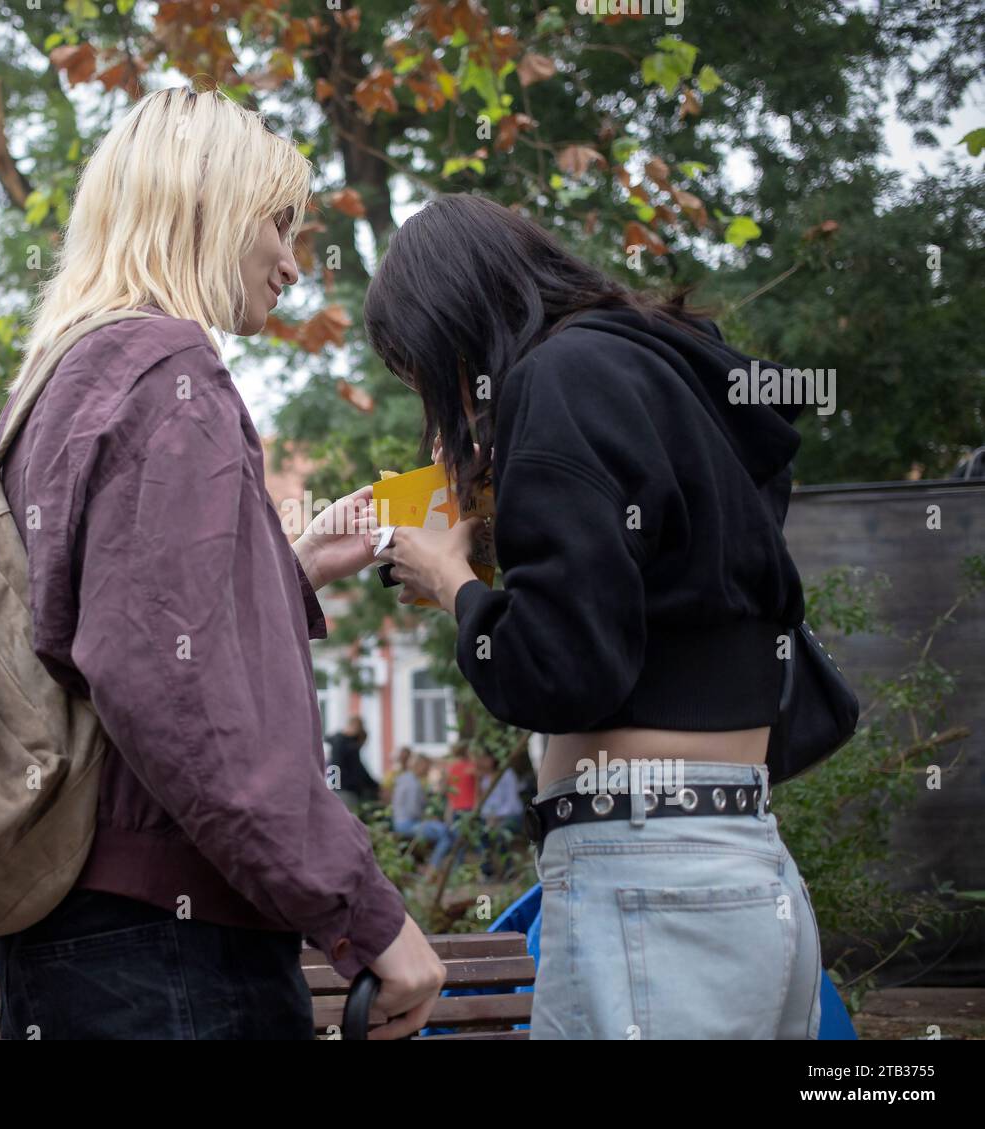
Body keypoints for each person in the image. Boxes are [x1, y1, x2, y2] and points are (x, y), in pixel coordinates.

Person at [0, 88, 444, 1041]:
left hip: (77, 940)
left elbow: (108, 627)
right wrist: (368, 916)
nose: (291, 260)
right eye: (276, 225)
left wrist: (290, 567)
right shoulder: (169, 369)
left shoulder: (63, 374)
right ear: (202, 208)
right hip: (167, 953)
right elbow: (173, 689)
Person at [365, 193, 822, 1039]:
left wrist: (455, 581)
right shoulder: (667, 366)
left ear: (456, 327)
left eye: (426, 369)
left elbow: (559, 671)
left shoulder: (558, 376)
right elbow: (668, 585)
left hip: (651, 878)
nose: (448, 400)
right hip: (741, 862)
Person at [392, 754, 454, 873]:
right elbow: (413, 811)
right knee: (445, 834)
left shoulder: (404, 778)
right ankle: (432, 870)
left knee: (441, 830)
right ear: (420, 765)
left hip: (400, 822)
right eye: (427, 766)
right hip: (408, 824)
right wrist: (428, 819)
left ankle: (432, 868)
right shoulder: (413, 784)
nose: (428, 770)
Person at [324, 717, 379, 811]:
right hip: (345, 791)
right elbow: (338, 767)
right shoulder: (345, 744)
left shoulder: (340, 742)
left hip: (341, 789)